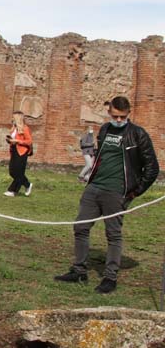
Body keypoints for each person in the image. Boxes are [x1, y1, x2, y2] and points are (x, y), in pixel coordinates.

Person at [55, 96, 160, 294]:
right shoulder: (104, 130)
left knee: (113, 233)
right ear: (109, 112)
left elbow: (152, 168)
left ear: (129, 113)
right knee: (81, 227)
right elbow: (100, 157)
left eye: (122, 117)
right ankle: (79, 270)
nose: (118, 120)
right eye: (115, 116)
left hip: (116, 191)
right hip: (94, 187)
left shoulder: (138, 134)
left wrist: (134, 192)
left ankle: (110, 277)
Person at [4, 111, 33, 197]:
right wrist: (9, 140)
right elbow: (13, 139)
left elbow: (29, 141)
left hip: (22, 152)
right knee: (12, 172)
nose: (12, 119)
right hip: (14, 150)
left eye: (13, 117)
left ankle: (13, 191)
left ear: (17, 118)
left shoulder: (25, 128)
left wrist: (17, 141)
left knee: (18, 172)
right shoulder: (14, 128)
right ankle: (27, 184)